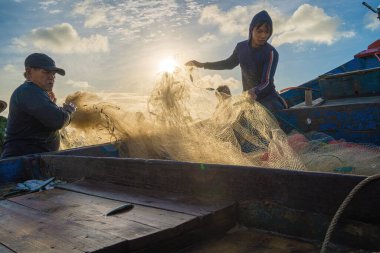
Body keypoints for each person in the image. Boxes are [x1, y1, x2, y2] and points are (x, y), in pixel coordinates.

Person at [186, 10, 287, 114]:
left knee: (269, 115)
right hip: (249, 99)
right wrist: (202, 65)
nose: (263, 36)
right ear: (251, 29)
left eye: (267, 32)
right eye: (259, 31)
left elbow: (266, 81)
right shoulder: (240, 47)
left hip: (268, 98)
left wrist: (254, 91)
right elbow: (228, 64)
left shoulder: (271, 53)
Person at [1, 53, 76, 159]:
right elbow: (57, 120)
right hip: (21, 164)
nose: (52, 77)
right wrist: (69, 111)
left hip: (34, 161)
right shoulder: (28, 90)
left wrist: (54, 107)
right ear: (29, 72)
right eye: (46, 72)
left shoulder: (34, 93)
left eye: (53, 73)